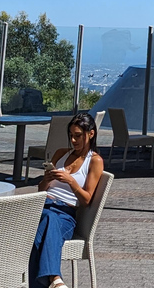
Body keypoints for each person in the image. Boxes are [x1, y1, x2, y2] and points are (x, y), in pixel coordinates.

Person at [30, 113, 104, 288]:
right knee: (47, 217)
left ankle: (51, 278)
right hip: (44, 205)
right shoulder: (61, 153)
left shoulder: (94, 161)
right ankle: (54, 279)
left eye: (78, 135)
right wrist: (47, 179)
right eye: (71, 135)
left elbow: (86, 200)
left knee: (43, 228)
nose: (73, 140)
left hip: (65, 214)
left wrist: (71, 181)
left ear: (91, 134)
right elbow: (41, 189)